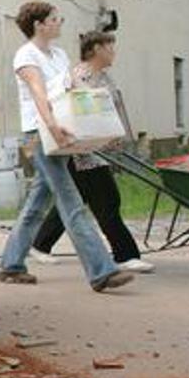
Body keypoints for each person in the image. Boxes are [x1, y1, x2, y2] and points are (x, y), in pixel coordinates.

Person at [0, 2, 134, 292]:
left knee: (37, 203)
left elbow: (72, 92)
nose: (60, 22)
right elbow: (39, 94)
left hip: (62, 130)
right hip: (39, 133)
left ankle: (11, 264)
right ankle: (102, 271)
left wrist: (98, 125)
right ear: (39, 25)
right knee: (71, 200)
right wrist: (53, 127)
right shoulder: (26, 55)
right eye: (54, 18)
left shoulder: (59, 55)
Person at [29, 32, 154, 273]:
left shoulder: (104, 77)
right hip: (82, 152)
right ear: (96, 48)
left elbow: (112, 110)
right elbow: (74, 111)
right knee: (107, 201)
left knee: (76, 200)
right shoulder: (79, 76)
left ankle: (39, 244)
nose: (114, 51)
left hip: (98, 149)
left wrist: (117, 138)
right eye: (110, 46)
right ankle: (125, 255)